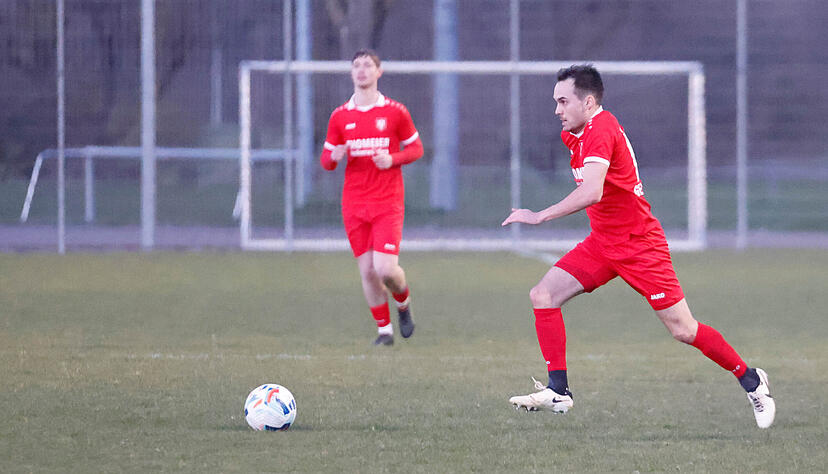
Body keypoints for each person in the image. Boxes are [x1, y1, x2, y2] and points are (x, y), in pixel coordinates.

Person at [501, 65, 775, 428]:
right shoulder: (577, 133)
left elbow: (593, 190)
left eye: (563, 101)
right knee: (543, 295)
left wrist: (540, 216)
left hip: (639, 246)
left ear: (588, 101)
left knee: (684, 330)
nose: (557, 110)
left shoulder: (600, 130)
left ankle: (751, 380)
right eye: (556, 102)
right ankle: (559, 390)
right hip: (604, 243)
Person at [319, 49, 423, 346]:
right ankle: (384, 331)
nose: (362, 70)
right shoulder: (340, 116)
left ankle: (403, 304)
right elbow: (326, 161)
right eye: (356, 66)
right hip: (354, 204)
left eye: (368, 65)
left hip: (387, 202)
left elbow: (416, 149)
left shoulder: (395, 111)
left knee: (386, 269)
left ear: (379, 72)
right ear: (351, 73)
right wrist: (335, 156)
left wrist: (392, 159)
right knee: (367, 270)